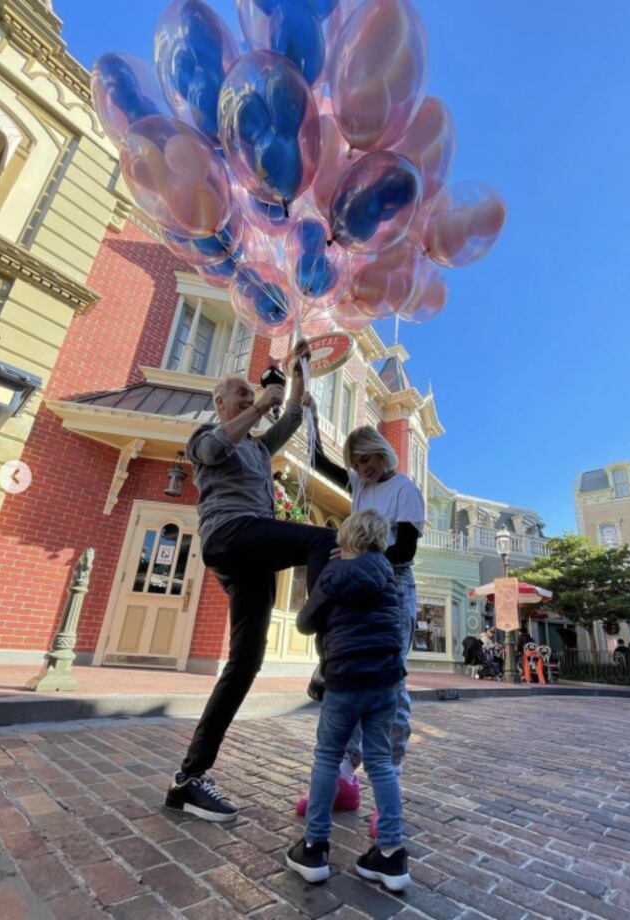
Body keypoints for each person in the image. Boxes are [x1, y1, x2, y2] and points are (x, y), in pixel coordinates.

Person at [165, 341, 338, 822]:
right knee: (321, 542)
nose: (249, 397)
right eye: (240, 393)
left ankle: (189, 778)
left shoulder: (261, 448)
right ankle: (328, 656)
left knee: (245, 663)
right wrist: (263, 400)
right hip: (229, 535)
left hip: (252, 556)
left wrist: (298, 371)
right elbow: (220, 446)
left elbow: (297, 414)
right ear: (221, 403)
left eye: (251, 394)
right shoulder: (204, 435)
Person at [296, 422, 424, 833]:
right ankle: (344, 780)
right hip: (355, 580)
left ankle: (390, 788)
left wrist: (358, 549)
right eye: (355, 463)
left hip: (392, 584)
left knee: (390, 682)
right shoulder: (360, 486)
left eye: (365, 459)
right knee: (349, 679)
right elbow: (318, 459)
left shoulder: (404, 489)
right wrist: (309, 411)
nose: (360, 468)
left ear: (381, 452)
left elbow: (404, 549)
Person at [286, 510, 411, 892]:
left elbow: (305, 622)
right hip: (386, 680)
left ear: (347, 539)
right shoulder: (389, 576)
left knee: (327, 756)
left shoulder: (335, 573)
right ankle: (390, 853)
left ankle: (314, 847)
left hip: (346, 679)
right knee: (379, 762)